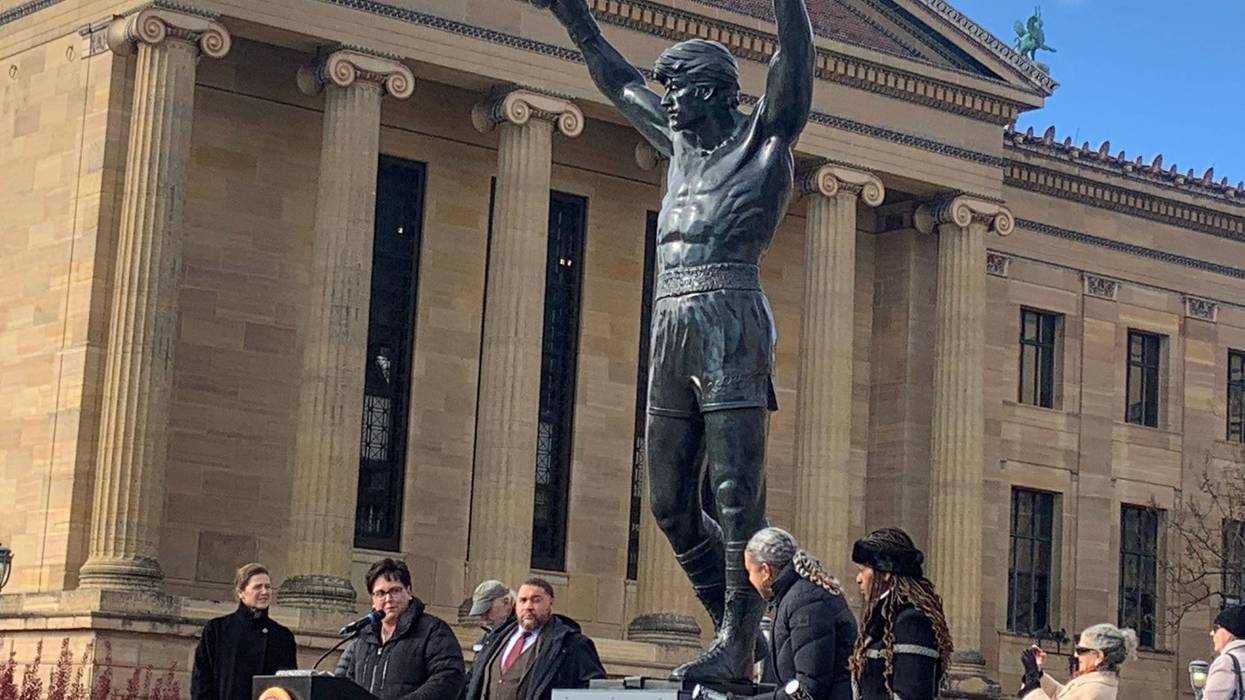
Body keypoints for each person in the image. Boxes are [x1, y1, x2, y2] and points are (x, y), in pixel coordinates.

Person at [537, 0, 815, 682]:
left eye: (676, 89)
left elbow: (793, 59)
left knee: (733, 493)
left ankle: (734, 639)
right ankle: (740, 627)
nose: (664, 100)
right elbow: (616, 82)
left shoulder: (766, 139)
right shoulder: (681, 147)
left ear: (713, 91)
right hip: (669, 322)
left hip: (730, 315)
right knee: (664, 498)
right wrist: (575, 20)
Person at [743, 528, 856, 700]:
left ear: (765, 571)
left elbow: (809, 688)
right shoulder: (798, 597)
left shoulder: (805, 602)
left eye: (749, 571)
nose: (749, 579)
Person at [336, 558, 466, 700]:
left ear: (409, 591)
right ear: (372, 600)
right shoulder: (364, 637)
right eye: (380, 593)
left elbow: (448, 678)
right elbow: (348, 683)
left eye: (395, 591)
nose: (388, 599)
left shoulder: (433, 630)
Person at [848, 528, 952, 700]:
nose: (858, 578)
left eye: (863, 569)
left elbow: (910, 693)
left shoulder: (912, 622)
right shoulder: (881, 619)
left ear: (886, 571)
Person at [463, 577, 606, 700]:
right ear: (515, 604)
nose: (528, 606)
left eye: (536, 600)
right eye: (523, 600)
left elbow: (594, 690)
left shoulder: (571, 644)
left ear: (550, 603)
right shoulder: (494, 639)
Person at [191, 562, 298, 700]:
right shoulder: (217, 630)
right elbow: (201, 680)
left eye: (268, 587)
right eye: (258, 587)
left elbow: (288, 687)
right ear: (241, 592)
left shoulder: (282, 636)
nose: (265, 592)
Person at [1017, 623, 1137, 699]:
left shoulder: (1094, 690)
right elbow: (1062, 695)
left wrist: (1032, 682)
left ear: (1098, 656)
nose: (1075, 655)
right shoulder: (1095, 684)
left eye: (1081, 650)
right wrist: (1038, 674)